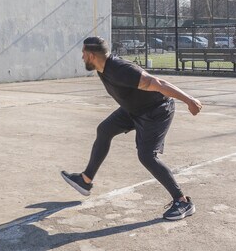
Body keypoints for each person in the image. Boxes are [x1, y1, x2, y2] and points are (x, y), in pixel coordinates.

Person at [61, 36, 203, 221]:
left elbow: (158, 84)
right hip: (133, 110)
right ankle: (85, 180)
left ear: (91, 55)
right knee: (104, 130)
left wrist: (189, 100)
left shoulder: (121, 70)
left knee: (146, 156)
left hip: (156, 112)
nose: (82, 58)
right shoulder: (101, 68)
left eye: (83, 54)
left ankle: (182, 201)